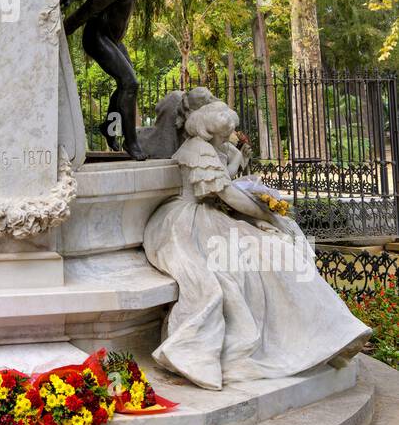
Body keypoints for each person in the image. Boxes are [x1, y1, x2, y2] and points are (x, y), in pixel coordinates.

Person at [143, 100, 370, 389]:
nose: (230, 136)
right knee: (261, 256)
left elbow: (223, 182)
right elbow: (228, 195)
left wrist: (260, 204)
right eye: (226, 133)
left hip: (212, 217)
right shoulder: (197, 150)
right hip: (189, 224)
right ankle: (310, 338)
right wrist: (270, 215)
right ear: (210, 130)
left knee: (274, 252)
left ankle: (326, 333)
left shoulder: (210, 148)